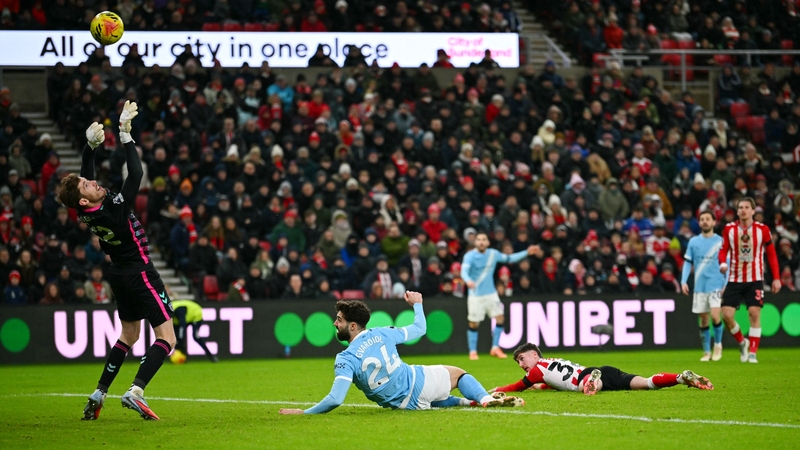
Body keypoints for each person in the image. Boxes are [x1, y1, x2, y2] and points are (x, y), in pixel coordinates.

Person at [58, 102, 176, 421]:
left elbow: (85, 176)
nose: (94, 182)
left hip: (119, 275)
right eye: (88, 185)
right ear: (84, 199)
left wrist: (90, 148)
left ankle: (99, 393)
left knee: (129, 335)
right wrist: (125, 134)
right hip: (140, 273)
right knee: (168, 338)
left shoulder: (86, 210)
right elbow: (136, 173)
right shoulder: (114, 212)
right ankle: (136, 391)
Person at [278, 292, 524, 415]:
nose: (334, 323)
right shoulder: (384, 333)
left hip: (402, 405)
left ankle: (470, 402)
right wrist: (417, 303)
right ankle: (483, 399)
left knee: (435, 394)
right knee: (457, 375)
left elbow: (335, 399)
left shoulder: (345, 359)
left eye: (339, 320)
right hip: (417, 383)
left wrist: (305, 411)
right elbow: (420, 328)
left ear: (353, 326)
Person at [491, 343, 713, 396]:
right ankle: (680, 377)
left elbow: (518, 387)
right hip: (601, 369)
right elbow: (550, 381)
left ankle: (593, 383)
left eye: (522, 359)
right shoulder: (549, 363)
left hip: (588, 376)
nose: (521, 365)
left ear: (534, 354)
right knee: (645, 383)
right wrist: (542, 386)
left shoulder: (536, 369)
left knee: (587, 388)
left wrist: (496, 390)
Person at [718, 197, 781, 364]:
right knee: (726, 315)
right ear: (737, 211)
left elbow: (772, 254)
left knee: (754, 313)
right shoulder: (729, 229)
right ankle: (742, 341)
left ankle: (753, 352)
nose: (743, 210)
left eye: (746, 207)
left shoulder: (763, 230)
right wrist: (722, 262)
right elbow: (723, 249)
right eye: (740, 207)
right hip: (734, 278)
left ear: (753, 211)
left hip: (755, 278)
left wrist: (776, 278)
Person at [460, 232, 539, 360]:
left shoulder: (493, 254)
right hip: (475, 295)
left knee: (500, 318)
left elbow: (510, 259)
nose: (481, 242)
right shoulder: (470, 256)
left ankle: (495, 347)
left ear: (487, 242)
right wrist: (468, 280)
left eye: (483, 239)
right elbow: (463, 271)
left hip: (491, 293)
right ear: (475, 243)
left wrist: (526, 252)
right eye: (478, 239)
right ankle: (473, 351)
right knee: (474, 323)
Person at [681, 211, 727, 361]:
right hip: (700, 286)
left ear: (714, 222)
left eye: (708, 219)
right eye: (702, 219)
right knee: (704, 318)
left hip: (716, 284)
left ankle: (718, 345)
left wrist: (725, 283)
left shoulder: (721, 242)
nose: (705, 222)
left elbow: (728, 264)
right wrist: (683, 281)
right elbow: (688, 263)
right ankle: (707, 351)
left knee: (715, 316)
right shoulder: (694, 242)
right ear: (699, 223)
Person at [170, 288, 217, 363]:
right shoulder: (170, 314)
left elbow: (183, 324)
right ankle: (183, 356)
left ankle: (211, 356)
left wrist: (180, 339)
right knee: (178, 338)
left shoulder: (178, 309)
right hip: (183, 317)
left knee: (195, 337)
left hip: (195, 314)